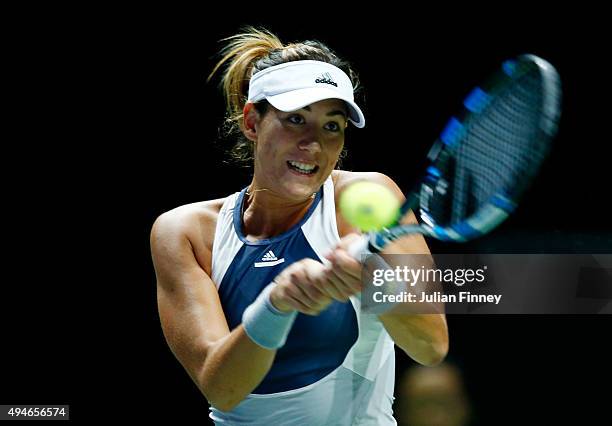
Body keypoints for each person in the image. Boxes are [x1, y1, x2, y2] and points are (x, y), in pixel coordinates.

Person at [150, 27, 448, 425]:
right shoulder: (185, 232)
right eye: (295, 120)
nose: (314, 144)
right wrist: (279, 303)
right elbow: (221, 388)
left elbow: (431, 346)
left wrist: (370, 278)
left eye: (332, 126)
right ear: (252, 122)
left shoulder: (365, 198)